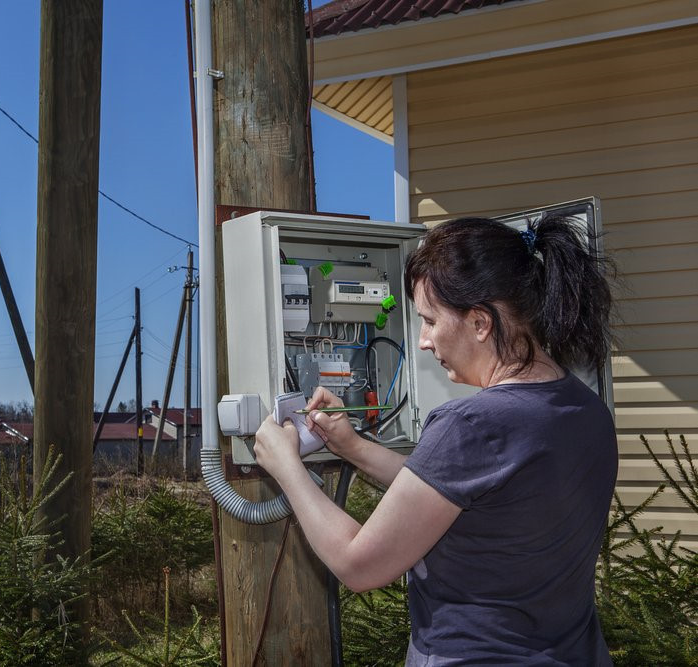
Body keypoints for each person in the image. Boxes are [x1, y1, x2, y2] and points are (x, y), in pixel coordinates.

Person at [254, 215, 617, 665]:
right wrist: (352, 447)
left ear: (480, 322)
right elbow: (460, 494)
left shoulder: (470, 424)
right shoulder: (584, 408)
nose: (423, 340)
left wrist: (286, 467)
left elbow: (358, 564)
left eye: (428, 320)